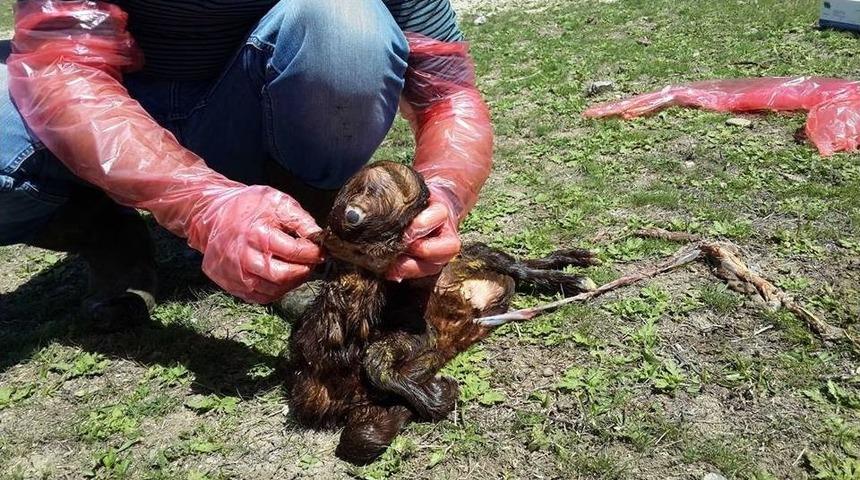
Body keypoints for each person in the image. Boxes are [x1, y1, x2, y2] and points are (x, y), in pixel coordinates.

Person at [0, 0, 493, 328]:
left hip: (246, 109)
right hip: (113, 112)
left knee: (346, 26)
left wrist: (442, 196)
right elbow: (63, 69)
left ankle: (294, 238)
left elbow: (448, 94)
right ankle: (101, 228)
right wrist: (202, 206)